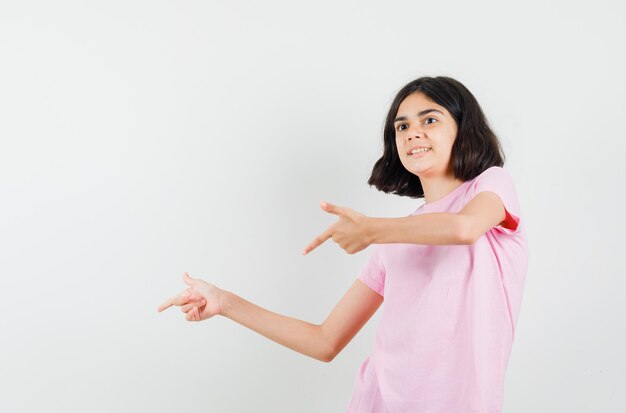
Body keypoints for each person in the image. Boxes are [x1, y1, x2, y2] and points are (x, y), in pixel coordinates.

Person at [157, 75, 529, 412]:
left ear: (464, 131)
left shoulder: (491, 186)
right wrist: (225, 303)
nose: (413, 132)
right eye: (402, 126)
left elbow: (464, 228)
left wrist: (372, 230)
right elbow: (325, 341)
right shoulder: (393, 239)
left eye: (429, 119)